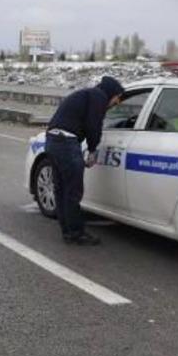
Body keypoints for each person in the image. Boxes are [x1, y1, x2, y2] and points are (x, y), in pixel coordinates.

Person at [45, 76, 124, 245]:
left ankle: (67, 231)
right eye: (117, 98)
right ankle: (76, 233)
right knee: (73, 191)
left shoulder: (86, 94)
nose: (117, 102)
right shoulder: (99, 97)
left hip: (52, 140)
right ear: (111, 92)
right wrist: (93, 149)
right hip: (66, 143)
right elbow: (93, 125)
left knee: (62, 190)